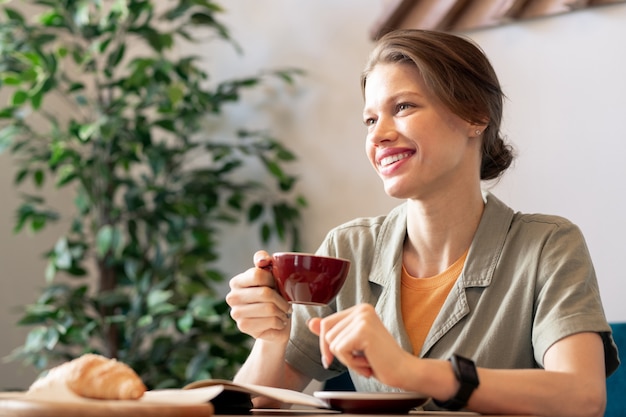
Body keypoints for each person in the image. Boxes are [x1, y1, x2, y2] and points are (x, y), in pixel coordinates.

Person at [225, 29, 619, 417]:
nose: (378, 135)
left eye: (403, 107)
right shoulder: (348, 250)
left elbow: (581, 398)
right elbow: (254, 405)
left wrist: (417, 373)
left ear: (474, 116)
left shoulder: (548, 246)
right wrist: (272, 338)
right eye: (369, 119)